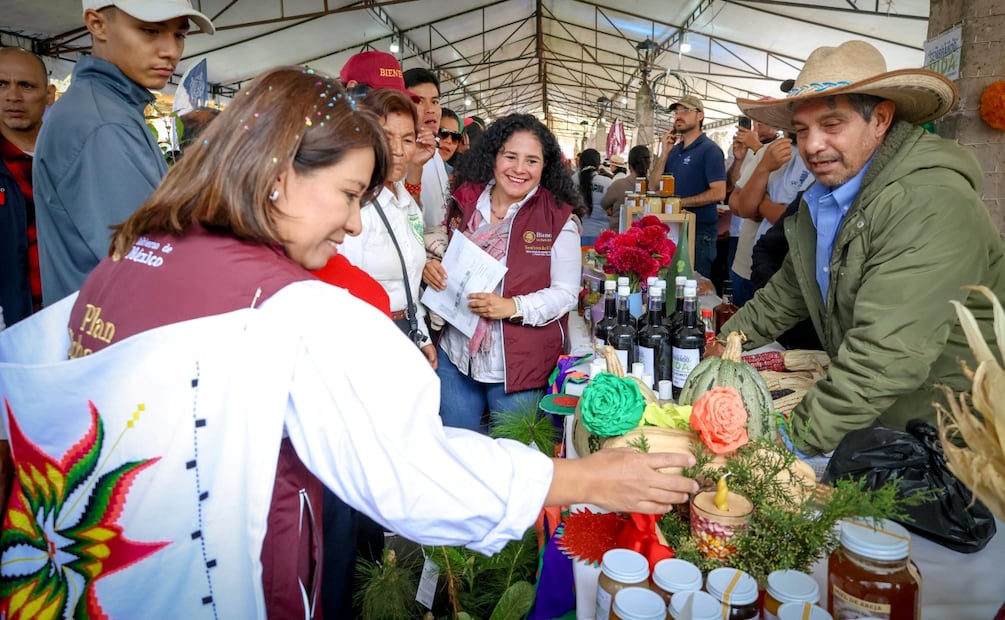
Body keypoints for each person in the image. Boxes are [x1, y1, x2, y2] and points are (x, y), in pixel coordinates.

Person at [0, 67, 698, 618]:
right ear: (279, 178)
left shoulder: (127, 261)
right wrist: (580, 478)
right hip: (228, 577)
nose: (357, 226)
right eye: (347, 194)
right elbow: (403, 473)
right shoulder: (292, 309)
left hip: (98, 582)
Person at [724, 40, 1005, 456]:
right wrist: (724, 345)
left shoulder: (929, 202)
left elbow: (883, 357)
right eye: (801, 131)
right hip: (881, 421)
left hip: (950, 438)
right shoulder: (826, 196)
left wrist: (784, 446)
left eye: (832, 124)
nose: (812, 146)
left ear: (881, 120)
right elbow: (789, 291)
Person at [32, 0, 215, 306]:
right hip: (112, 331)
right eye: (150, 30)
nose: (170, 50)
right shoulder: (103, 123)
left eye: (179, 35)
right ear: (96, 24)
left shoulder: (106, 110)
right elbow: (149, 261)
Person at [423, 113, 586, 431]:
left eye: (532, 161)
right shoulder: (465, 201)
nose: (519, 169)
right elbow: (448, 246)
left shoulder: (557, 220)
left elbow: (566, 293)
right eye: (510, 156)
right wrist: (432, 266)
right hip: (455, 352)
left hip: (517, 366)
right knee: (455, 453)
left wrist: (513, 307)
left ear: (545, 167)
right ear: (494, 156)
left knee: (518, 463)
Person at [340, 89, 437, 367]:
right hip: (366, 342)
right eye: (386, 137)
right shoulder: (355, 207)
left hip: (406, 332)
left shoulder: (407, 203)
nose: (397, 150)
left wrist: (422, 336)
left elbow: (410, 277)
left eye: (407, 139)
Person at [0, 47, 53, 328]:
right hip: (12, 321)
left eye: (26, 85)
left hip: (74, 310)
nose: (13, 96)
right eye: (2, 84)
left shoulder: (75, 154)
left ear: (49, 94)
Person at [650, 94, 726, 279]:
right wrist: (664, 153)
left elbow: (719, 192)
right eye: (676, 111)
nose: (678, 115)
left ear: (700, 116)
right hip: (673, 229)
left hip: (699, 232)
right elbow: (653, 185)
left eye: (685, 111)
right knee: (670, 284)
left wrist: (680, 203)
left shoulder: (710, 150)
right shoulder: (674, 151)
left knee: (694, 286)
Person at [404, 67, 451, 229]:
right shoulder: (398, 155)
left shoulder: (435, 153)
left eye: (435, 101)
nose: (430, 109)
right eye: (419, 101)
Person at [601, 145, 651, 231]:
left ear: (629, 166)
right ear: (649, 165)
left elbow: (604, 204)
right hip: (645, 239)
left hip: (618, 239)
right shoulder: (653, 189)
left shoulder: (618, 185)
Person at [574, 148, 611, 245]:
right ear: (598, 165)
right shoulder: (607, 182)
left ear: (580, 163)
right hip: (602, 236)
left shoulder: (572, 181)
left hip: (576, 234)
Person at [439, 106, 463, 174]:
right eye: (443, 133)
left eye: (456, 136)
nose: (449, 141)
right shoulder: (409, 168)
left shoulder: (454, 177)